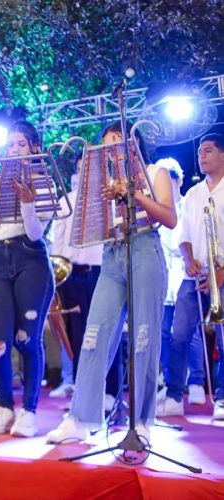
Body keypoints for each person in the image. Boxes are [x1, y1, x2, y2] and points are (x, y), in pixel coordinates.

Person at [47, 121, 177, 444]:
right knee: (94, 335)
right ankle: (81, 418)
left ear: (134, 142)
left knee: (144, 338)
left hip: (145, 250)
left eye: (117, 142)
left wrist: (132, 194)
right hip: (112, 254)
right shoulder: (104, 182)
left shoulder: (155, 171)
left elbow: (169, 218)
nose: (112, 151)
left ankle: (142, 422)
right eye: (107, 147)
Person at [0, 121, 56, 438]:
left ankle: (29, 410)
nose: (14, 150)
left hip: (31, 257)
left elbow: (36, 234)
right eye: (10, 145)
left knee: (28, 339)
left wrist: (27, 202)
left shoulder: (45, 182)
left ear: (34, 148)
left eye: (21, 144)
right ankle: (4, 406)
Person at [158, 134, 224, 420]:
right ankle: (174, 396)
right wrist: (188, 259)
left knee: (223, 340)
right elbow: (183, 236)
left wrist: (220, 273)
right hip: (194, 276)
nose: (202, 156)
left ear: (223, 155)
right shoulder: (194, 194)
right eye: (200, 152)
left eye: (208, 151)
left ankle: (221, 399)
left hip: (222, 273)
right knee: (179, 336)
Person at [49, 155, 122, 414]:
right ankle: (83, 393)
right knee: (79, 337)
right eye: (80, 170)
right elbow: (58, 245)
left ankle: (110, 393)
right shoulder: (65, 201)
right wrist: (57, 279)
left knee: (107, 333)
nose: (83, 175)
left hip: (104, 273)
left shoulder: (112, 199)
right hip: (72, 275)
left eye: (89, 170)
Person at [157, 159, 207, 406]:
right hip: (164, 276)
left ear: (178, 181)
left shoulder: (188, 202)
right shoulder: (157, 208)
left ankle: (196, 381)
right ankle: (171, 383)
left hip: (185, 272)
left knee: (190, 331)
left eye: (169, 179)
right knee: (166, 331)